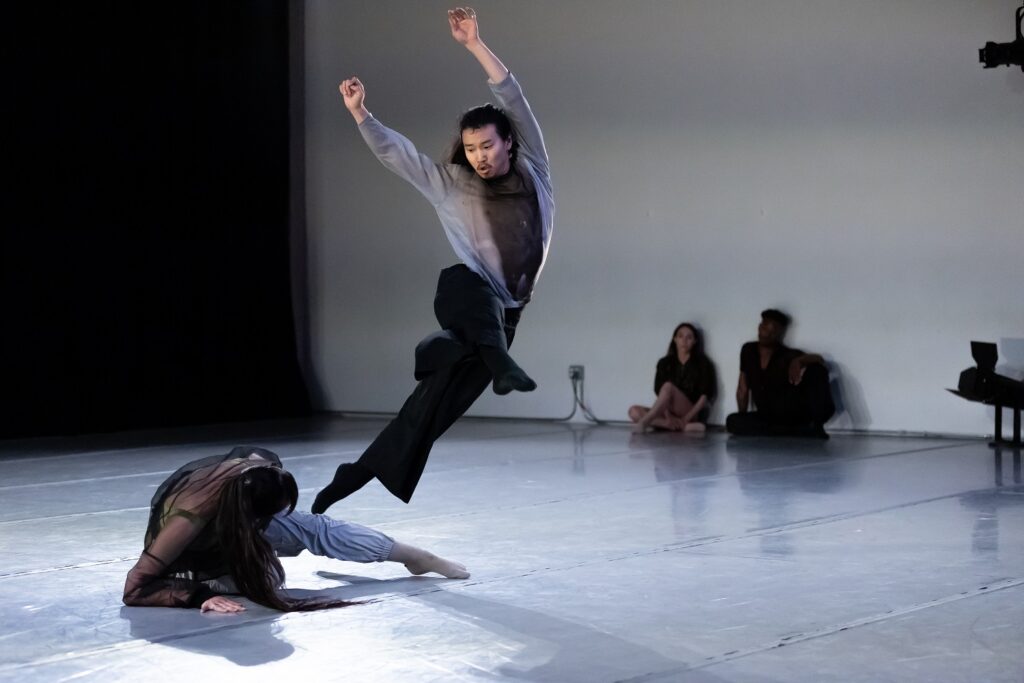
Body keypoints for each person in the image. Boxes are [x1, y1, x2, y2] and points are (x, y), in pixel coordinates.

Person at [313, 7, 554, 512]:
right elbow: (398, 155)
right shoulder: (452, 185)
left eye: (488, 145)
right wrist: (361, 113)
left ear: (508, 141)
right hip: (470, 298)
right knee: (464, 280)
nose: (480, 156)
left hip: (505, 321)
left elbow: (513, 95)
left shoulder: (536, 170)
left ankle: (355, 474)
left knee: (429, 412)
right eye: (470, 149)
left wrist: (473, 44)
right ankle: (494, 361)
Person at [123, 447, 469, 614]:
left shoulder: (256, 468)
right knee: (269, 582)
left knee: (315, 528)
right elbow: (135, 588)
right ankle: (224, 577)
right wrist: (198, 597)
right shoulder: (189, 518)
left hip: (240, 516)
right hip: (205, 555)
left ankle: (416, 557)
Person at [725, 309, 835, 438]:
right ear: (760, 327)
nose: (767, 333)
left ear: (779, 333)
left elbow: (819, 358)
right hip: (767, 416)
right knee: (733, 421)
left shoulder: (787, 354)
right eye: (765, 327)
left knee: (817, 369)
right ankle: (797, 431)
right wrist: (741, 417)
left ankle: (812, 424)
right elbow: (742, 388)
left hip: (790, 412)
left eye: (773, 330)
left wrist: (799, 360)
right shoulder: (748, 350)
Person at [629, 323, 717, 433]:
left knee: (668, 387)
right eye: (680, 336)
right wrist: (668, 417)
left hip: (690, 411)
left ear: (695, 341)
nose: (684, 341)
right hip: (668, 411)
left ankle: (644, 423)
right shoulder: (664, 363)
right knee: (633, 411)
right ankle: (673, 426)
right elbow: (660, 393)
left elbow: (704, 397)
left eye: (689, 337)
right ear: (675, 339)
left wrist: (686, 419)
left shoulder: (703, 363)